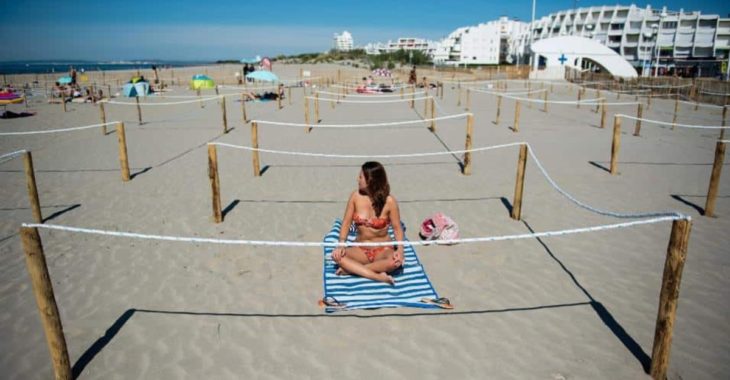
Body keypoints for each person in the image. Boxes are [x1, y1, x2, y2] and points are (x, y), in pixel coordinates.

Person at [331, 162, 404, 285]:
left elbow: (397, 228)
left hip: (383, 250)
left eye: (360, 177)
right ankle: (378, 277)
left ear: (370, 181)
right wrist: (341, 245)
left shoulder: (389, 201)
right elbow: (346, 223)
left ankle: (351, 270)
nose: (357, 179)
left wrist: (400, 251)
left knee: (395, 262)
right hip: (360, 249)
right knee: (337, 257)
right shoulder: (355, 197)